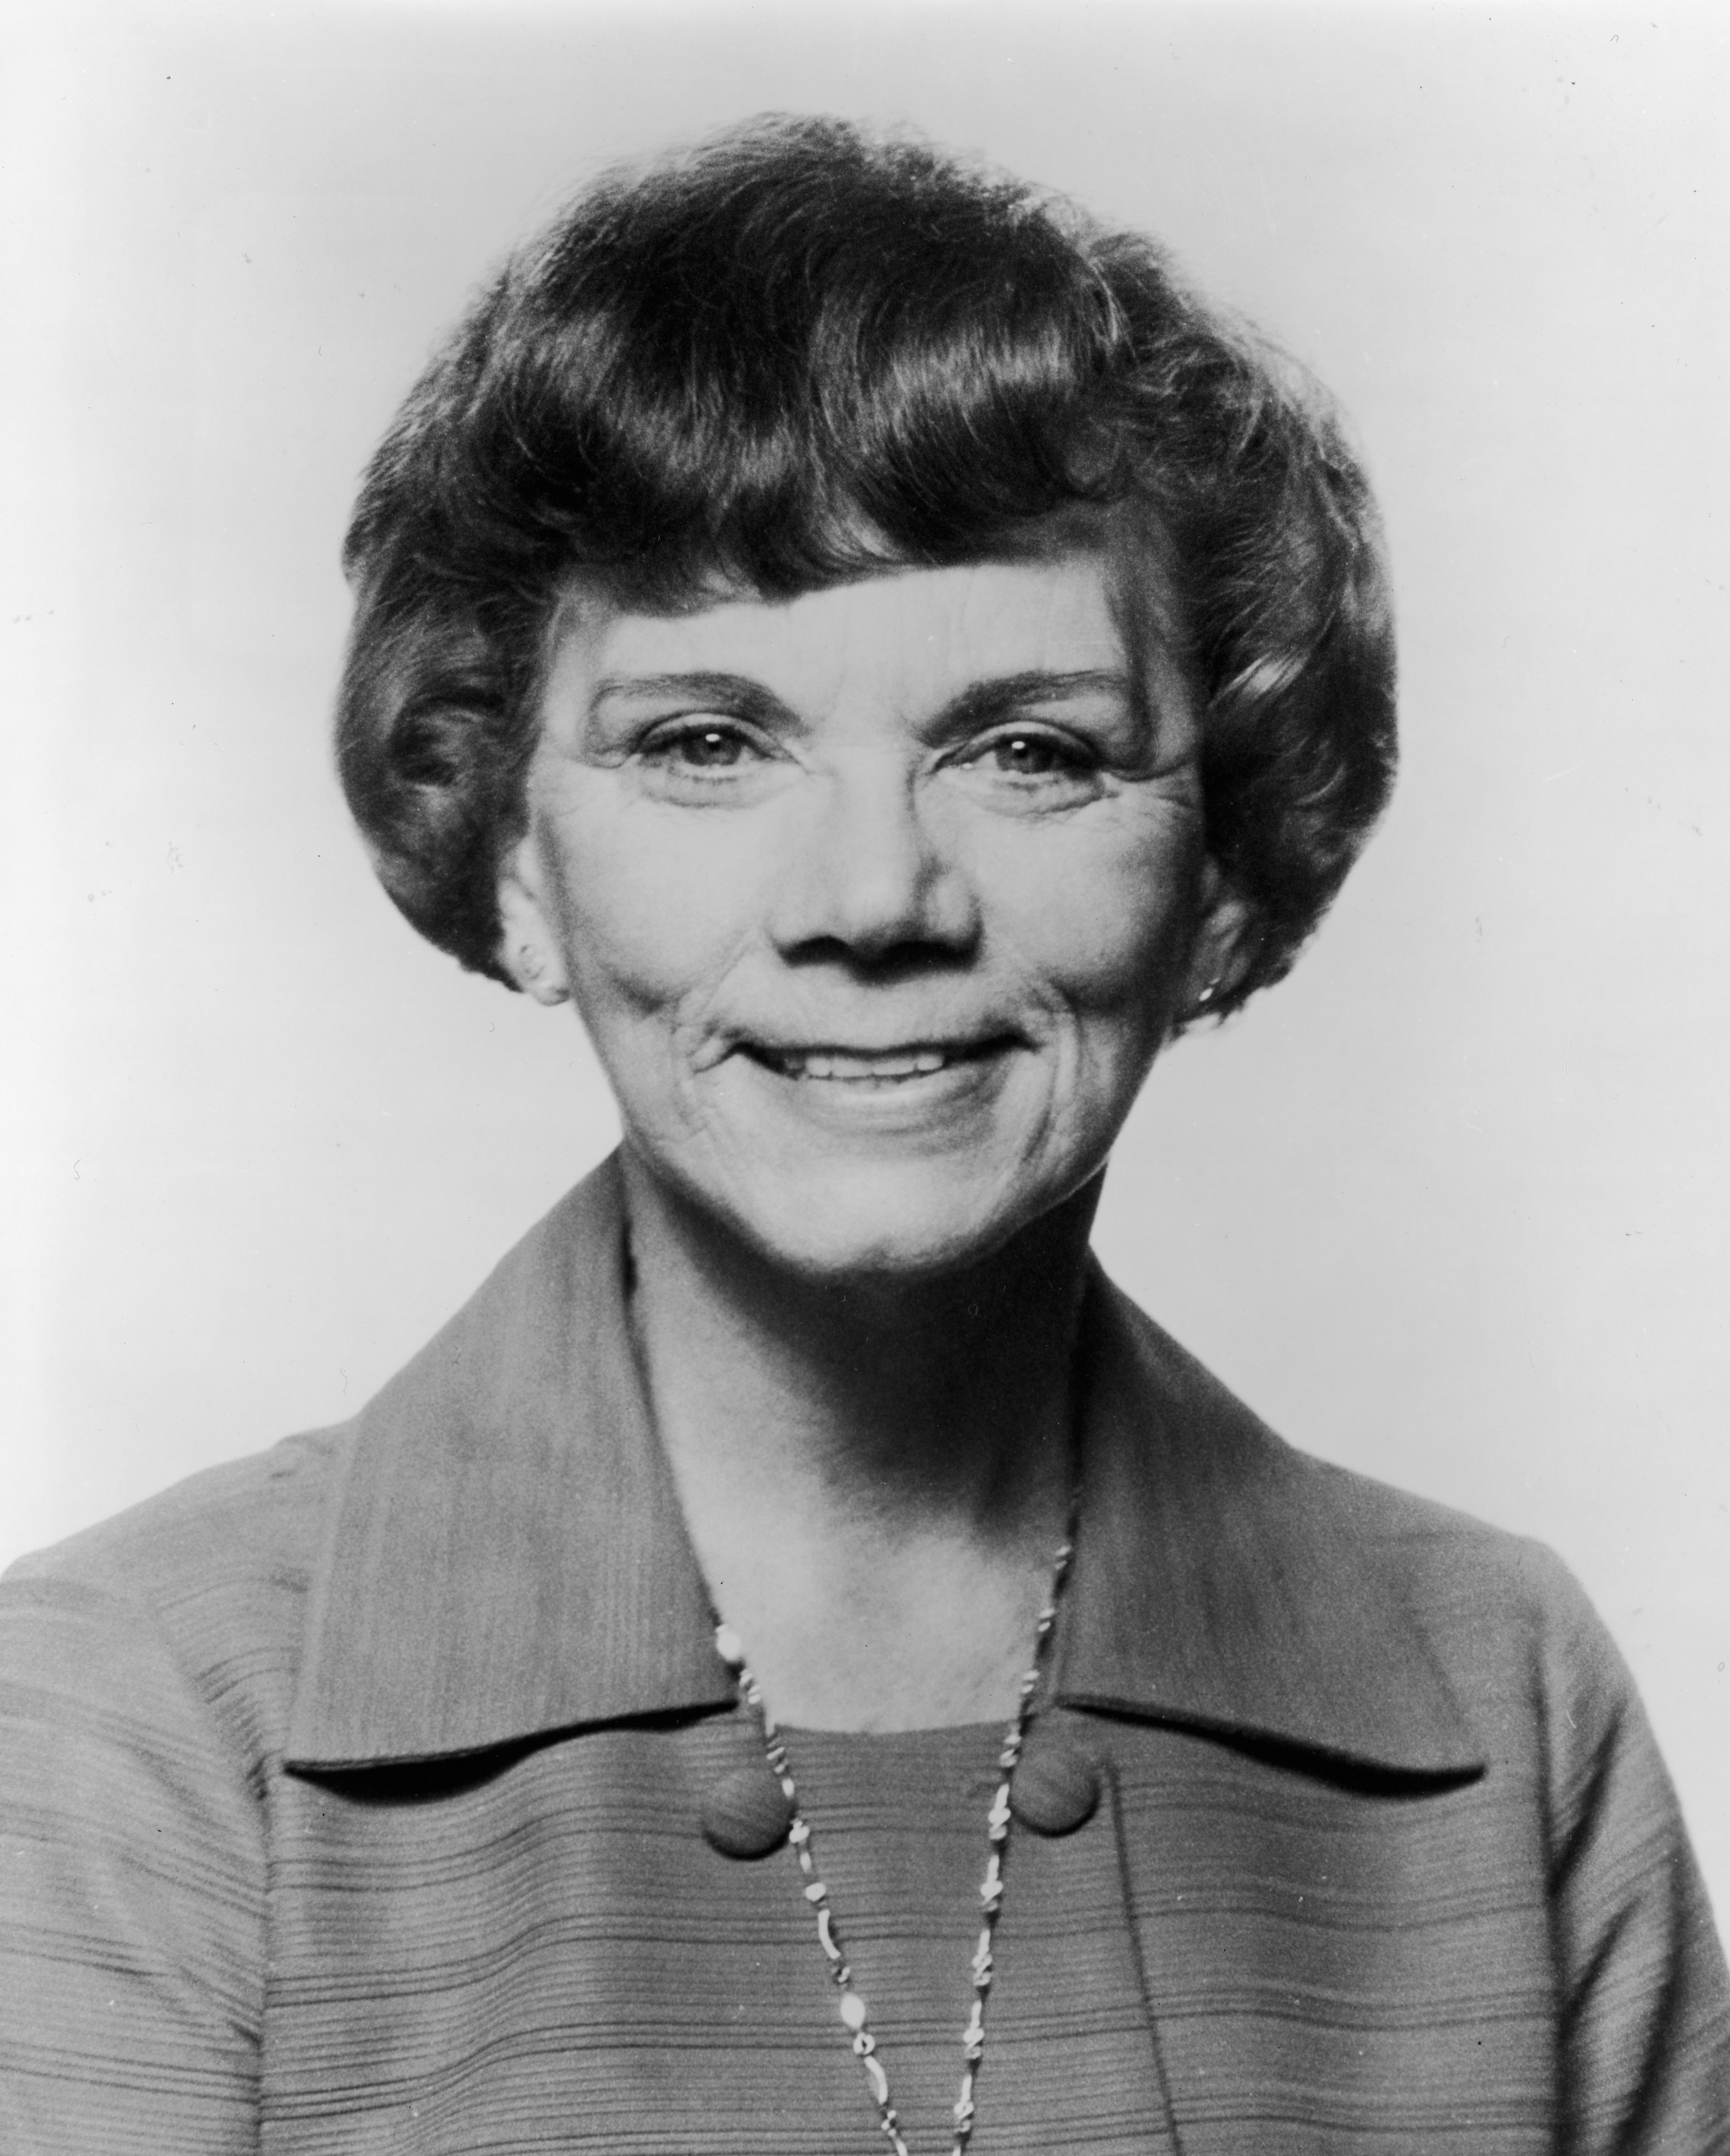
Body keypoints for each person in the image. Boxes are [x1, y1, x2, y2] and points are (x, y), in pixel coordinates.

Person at [2, 114, 1725, 2155]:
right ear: (515, 862)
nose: (875, 896)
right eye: (708, 742)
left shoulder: (1497, 1697)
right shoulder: (135, 1722)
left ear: (1231, 875)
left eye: (1030, 749)